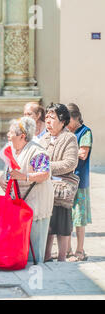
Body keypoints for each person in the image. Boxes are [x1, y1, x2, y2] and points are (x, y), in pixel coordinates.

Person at [0, 117, 54, 263]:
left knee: (34, 249)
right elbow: (8, 172)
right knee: (20, 247)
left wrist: (23, 176)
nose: (8, 136)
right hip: (19, 206)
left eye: (11, 133)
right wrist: (1, 180)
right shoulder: (13, 150)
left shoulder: (37, 151)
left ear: (22, 136)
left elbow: (44, 174)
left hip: (36, 205)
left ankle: (36, 275)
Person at [40, 103, 79, 262]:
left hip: (61, 189)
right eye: (47, 117)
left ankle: (62, 257)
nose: (48, 121)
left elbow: (70, 163)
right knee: (47, 223)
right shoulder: (44, 137)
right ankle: (46, 255)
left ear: (62, 121)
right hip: (45, 187)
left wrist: (46, 168)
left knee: (62, 225)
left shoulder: (69, 138)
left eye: (52, 117)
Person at [66, 103, 92, 262]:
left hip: (79, 181)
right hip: (66, 180)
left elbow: (83, 153)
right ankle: (67, 249)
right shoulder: (68, 132)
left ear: (74, 118)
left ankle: (80, 251)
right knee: (66, 216)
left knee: (79, 217)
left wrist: (64, 155)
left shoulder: (85, 132)